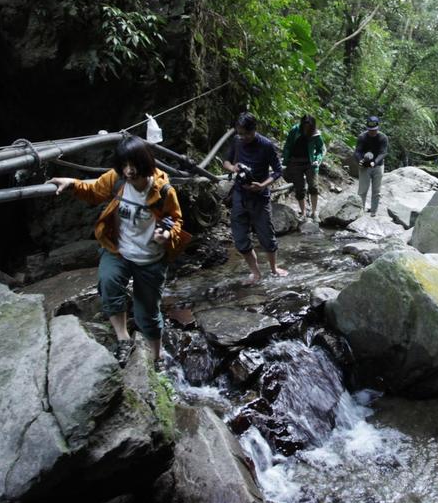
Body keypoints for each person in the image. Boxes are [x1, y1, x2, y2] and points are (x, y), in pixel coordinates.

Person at [49, 136, 190, 369]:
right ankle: (123, 338)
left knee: (148, 313)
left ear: (146, 163)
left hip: (150, 259)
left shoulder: (164, 191)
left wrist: (166, 236)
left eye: (133, 165)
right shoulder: (116, 180)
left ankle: (157, 355)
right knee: (108, 283)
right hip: (119, 251)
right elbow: (94, 191)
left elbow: (175, 220)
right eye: (123, 165)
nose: (129, 171)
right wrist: (71, 183)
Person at [222, 112, 288, 285]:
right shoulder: (237, 141)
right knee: (240, 238)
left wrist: (262, 185)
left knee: (266, 235)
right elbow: (226, 162)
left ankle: (273, 269)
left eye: (246, 134)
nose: (243, 137)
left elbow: (278, 171)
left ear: (254, 130)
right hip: (239, 195)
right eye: (240, 133)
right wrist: (233, 168)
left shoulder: (266, 145)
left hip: (260, 197)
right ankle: (255, 273)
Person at [281, 114, 325, 221]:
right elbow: (288, 145)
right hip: (295, 162)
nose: (306, 127)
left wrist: (317, 160)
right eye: (305, 124)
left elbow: (320, 150)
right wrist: (286, 161)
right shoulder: (294, 130)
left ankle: (314, 212)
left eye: (309, 125)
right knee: (300, 189)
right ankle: (304, 213)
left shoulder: (316, 134)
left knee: (313, 187)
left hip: (310, 163)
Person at [355, 115, 388, 217]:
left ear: (377, 128)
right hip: (364, 166)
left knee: (376, 191)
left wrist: (375, 162)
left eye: (374, 130)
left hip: (378, 166)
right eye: (370, 130)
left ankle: (373, 212)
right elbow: (357, 152)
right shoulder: (362, 137)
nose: (372, 132)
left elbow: (383, 153)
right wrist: (360, 161)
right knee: (362, 190)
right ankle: (360, 211)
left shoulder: (383, 138)